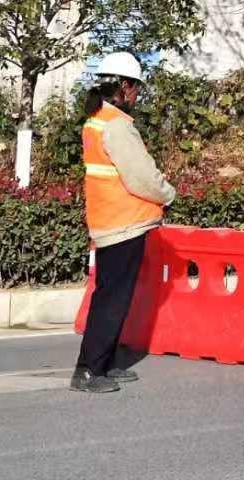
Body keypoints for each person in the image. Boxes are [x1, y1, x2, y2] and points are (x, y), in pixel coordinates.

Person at [73, 52, 175, 395]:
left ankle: (107, 361)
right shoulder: (117, 125)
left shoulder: (96, 119)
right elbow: (141, 175)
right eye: (136, 89)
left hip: (107, 220)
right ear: (124, 86)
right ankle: (89, 370)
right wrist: (167, 193)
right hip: (123, 223)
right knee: (112, 300)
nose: (137, 96)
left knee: (111, 295)